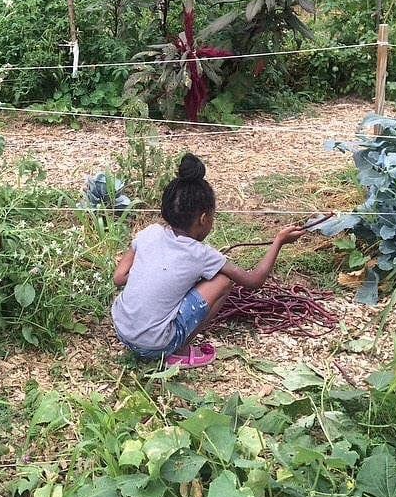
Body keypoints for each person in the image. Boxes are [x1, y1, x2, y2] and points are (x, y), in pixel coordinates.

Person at [111, 153, 305, 369]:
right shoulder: (201, 254)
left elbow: (119, 278)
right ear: (203, 219)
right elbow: (254, 281)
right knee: (222, 281)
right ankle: (181, 351)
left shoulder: (150, 232)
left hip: (122, 330)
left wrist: (150, 276)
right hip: (155, 345)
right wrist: (279, 241)